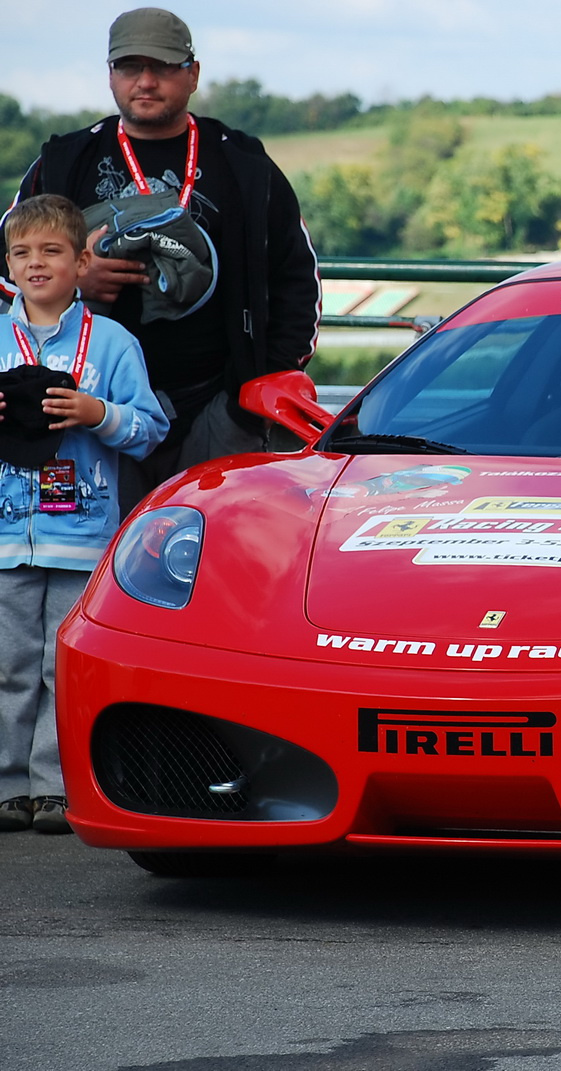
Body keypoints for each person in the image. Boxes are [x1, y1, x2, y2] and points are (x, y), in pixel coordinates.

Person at [5, 8, 319, 509]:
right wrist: (74, 281)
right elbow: (8, 266)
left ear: (193, 74)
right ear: (110, 74)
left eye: (164, 67)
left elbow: (297, 279)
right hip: (92, 404)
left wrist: (253, 390)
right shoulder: (65, 162)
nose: (146, 82)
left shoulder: (242, 164)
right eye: (131, 67)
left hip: (216, 403)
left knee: (213, 554)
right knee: (105, 562)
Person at [0, 195, 168, 833]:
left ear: (81, 260)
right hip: (4, 537)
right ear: (8, 265)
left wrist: (97, 414)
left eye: (52, 251)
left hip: (83, 535)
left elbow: (150, 429)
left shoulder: (114, 343)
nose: (36, 264)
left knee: (56, 663)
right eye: (22, 253)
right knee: (7, 662)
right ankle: (6, 783)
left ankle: (52, 785)